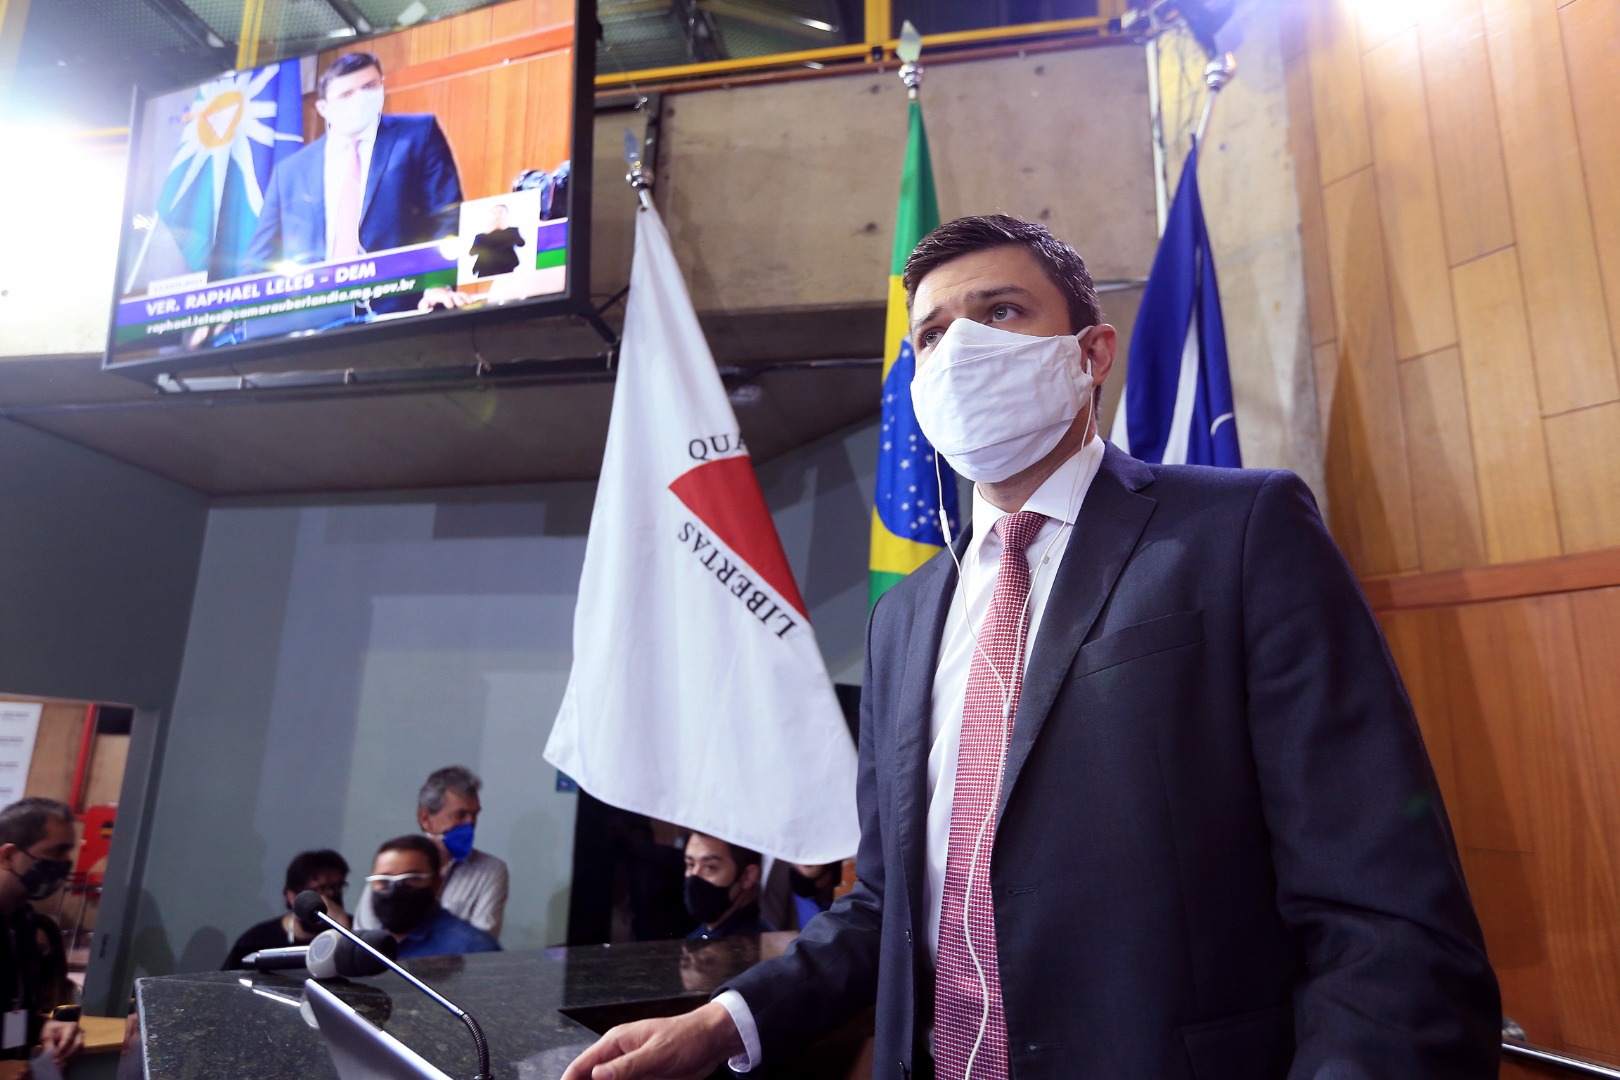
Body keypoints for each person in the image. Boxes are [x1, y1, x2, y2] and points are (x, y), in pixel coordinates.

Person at [561, 215, 1500, 1080]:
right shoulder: (903, 619)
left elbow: (1381, 910)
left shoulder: (1238, 533)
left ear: (1091, 354)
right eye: (933, 335)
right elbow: (886, 906)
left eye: (1001, 312)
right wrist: (723, 1022)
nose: (961, 350)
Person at [247, 53, 463, 272]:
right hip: (316, 291)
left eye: (369, 87)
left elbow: (447, 215)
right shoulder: (290, 171)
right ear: (323, 109)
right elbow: (261, 256)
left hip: (399, 287)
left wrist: (438, 282)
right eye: (346, 94)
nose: (360, 98)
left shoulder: (418, 135)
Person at [355, 765, 509, 940]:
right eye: (460, 815)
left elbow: (480, 942)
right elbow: (364, 936)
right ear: (425, 819)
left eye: (474, 815)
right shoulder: (393, 865)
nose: (471, 824)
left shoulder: (490, 870)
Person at [0, 798, 83, 1075]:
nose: (64, 864)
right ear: (9, 856)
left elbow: (10, 1013)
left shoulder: (23, 924)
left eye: (68, 851)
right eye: (55, 851)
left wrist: (44, 1027)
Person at [365, 835, 499, 960]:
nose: (395, 890)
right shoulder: (364, 946)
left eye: (411, 879)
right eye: (383, 881)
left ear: (437, 883)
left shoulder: (473, 949)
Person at [222, 849, 351, 969]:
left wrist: (343, 925)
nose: (330, 896)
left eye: (337, 887)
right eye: (320, 889)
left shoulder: (354, 930)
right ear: (292, 897)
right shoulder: (256, 941)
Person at [682, 833, 773, 941]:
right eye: (690, 864)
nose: (694, 875)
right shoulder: (704, 932)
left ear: (748, 876)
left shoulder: (754, 944)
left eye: (710, 867)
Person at [468, 203, 526, 278]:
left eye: (501, 212)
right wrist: (488, 234)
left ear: (506, 215)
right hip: (485, 269)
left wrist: (504, 230)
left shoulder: (512, 231)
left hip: (506, 268)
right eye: (494, 213)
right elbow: (472, 252)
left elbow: (521, 243)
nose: (497, 215)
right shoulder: (481, 236)